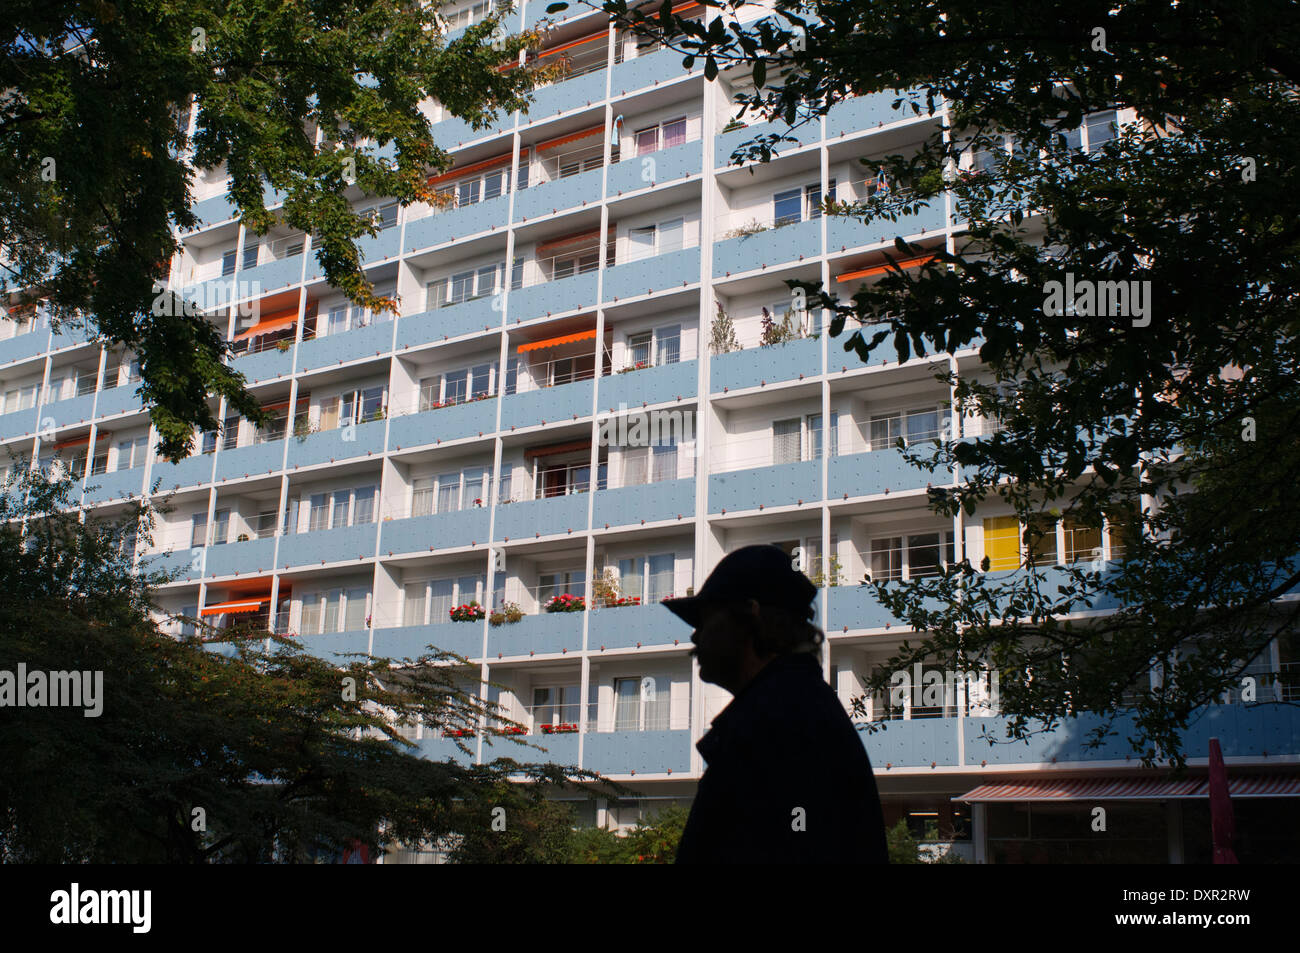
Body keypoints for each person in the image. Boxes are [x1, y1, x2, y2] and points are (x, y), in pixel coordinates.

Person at [664, 545, 888, 863]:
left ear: (749, 614)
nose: (695, 637)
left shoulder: (779, 725)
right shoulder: (789, 709)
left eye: (705, 619)